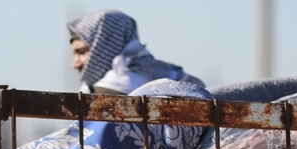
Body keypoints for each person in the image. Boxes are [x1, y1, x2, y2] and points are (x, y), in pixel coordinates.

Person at [67, 10, 204, 95]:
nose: (75, 64)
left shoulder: (113, 87)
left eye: (81, 52)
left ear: (105, 46)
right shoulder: (179, 78)